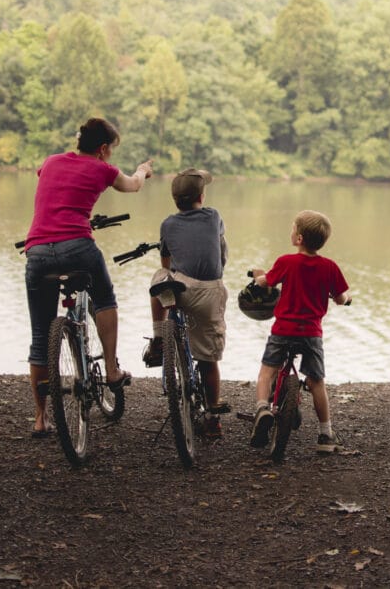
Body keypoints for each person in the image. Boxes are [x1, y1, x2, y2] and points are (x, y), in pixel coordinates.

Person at [23, 117, 153, 437]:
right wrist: (142, 171)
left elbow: (54, 185)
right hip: (77, 249)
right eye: (111, 151)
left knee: (40, 338)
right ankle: (110, 369)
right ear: (104, 149)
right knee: (105, 299)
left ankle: (41, 418)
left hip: (37, 252)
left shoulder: (51, 162)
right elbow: (132, 185)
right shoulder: (103, 169)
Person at [249, 209, 352, 454]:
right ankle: (326, 434)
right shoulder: (330, 267)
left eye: (293, 229)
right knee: (317, 382)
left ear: (299, 239)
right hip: (311, 334)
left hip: (283, 329)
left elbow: (266, 282)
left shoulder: (286, 262)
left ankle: (262, 408)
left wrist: (258, 276)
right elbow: (340, 297)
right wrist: (347, 299)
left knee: (267, 371)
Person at [145, 168, 229, 438]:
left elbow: (166, 263)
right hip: (210, 291)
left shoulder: (167, 224)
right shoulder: (214, 216)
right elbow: (222, 253)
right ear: (202, 197)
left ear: (174, 200)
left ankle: (159, 337)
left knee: (160, 279)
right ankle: (213, 416)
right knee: (208, 359)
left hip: (180, 289)